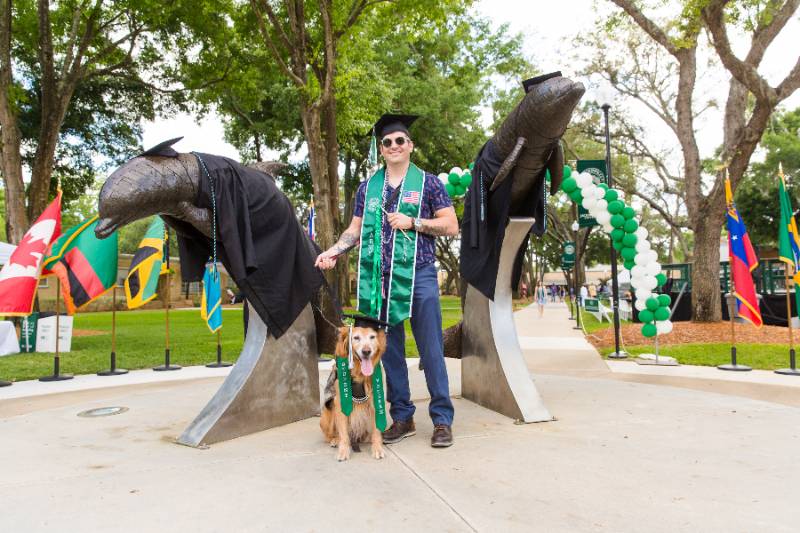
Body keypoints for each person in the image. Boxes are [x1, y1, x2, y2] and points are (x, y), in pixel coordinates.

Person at [315, 113, 459, 448]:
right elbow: (354, 229)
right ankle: (403, 416)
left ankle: (441, 420)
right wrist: (334, 251)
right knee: (388, 351)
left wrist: (414, 222)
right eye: (387, 142)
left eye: (399, 141)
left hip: (419, 276)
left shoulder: (429, 183)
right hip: (378, 280)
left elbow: (451, 225)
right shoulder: (369, 188)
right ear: (382, 149)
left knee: (431, 349)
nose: (393, 146)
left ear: (410, 146)